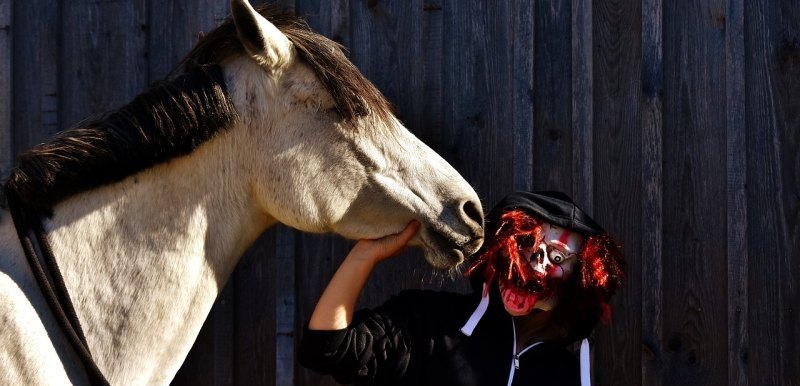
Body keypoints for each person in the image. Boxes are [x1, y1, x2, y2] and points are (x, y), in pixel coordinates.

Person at [298, 191, 625, 386]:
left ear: (583, 276)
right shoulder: (428, 323)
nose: (536, 262)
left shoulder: (570, 375)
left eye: (557, 257)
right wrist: (364, 255)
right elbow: (328, 348)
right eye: (526, 243)